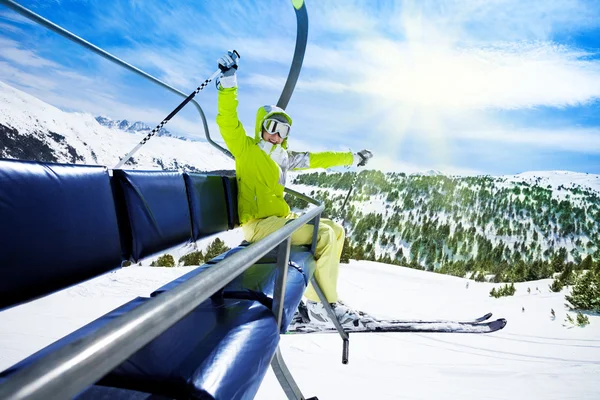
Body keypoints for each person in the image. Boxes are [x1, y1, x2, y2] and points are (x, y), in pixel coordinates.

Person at [214, 51, 373, 327]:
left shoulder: (283, 159)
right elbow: (227, 121)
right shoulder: (246, 149)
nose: (276, 135)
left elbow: (319, 159)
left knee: (335, 229)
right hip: (258, 225)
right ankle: (318, 305)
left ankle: (323, 297)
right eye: (272, 127)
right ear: (261, 127)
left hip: (279, 221)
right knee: (322, 235)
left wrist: (352, 158)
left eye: (283, 131)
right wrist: (229, 81)